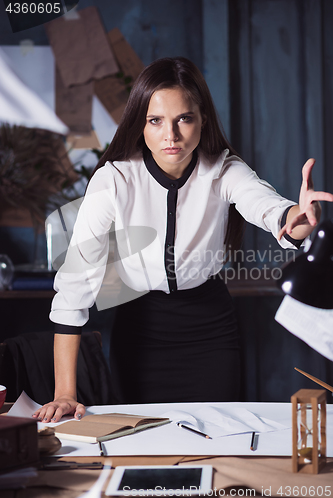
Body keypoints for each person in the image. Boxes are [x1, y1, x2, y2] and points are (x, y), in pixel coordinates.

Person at [33, 57, 333, 423]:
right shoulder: (114, 180)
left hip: (210, 332)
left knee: (219, 444)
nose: (170, 135)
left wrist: (298, 220)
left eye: (184, 119)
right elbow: (74, 288)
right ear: (139, 124)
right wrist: (64, 393)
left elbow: (270, 210)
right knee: (141, 446)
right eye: (155, 120)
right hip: (139, 332)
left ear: (202, 118)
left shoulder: (225, 170)